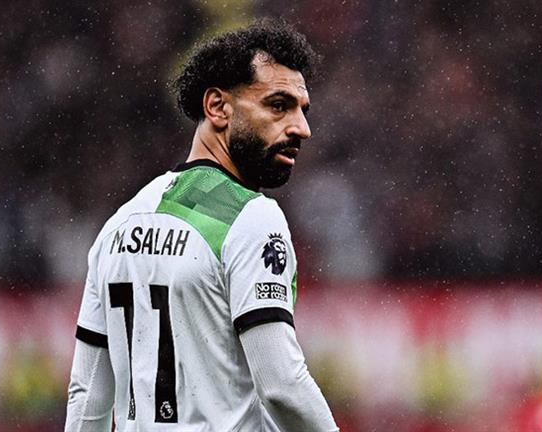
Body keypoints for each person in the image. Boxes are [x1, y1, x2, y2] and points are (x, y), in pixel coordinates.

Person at [64, 18, 339, 432]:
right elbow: (282, 385)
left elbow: (88, 395)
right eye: (278, 105)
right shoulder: (251, 217)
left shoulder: (119, 225)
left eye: (303, 110)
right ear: (217, 107)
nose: (302, 128)